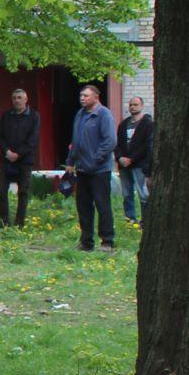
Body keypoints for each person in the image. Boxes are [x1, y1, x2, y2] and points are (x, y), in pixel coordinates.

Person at [68, 83, 117, 251]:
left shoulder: (104, 115)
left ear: (96, 97)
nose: (82, 98)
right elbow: (76, 141)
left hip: (99, 170)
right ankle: (86, 241)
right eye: (81, 96)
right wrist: (70, 161)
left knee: (102, 205)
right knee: (83, 206)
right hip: (82, 169)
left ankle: (107, 241)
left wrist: (96, 159)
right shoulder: (80, 115)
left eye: (86, 96)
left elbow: (110, 141)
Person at [0, 88, 41, 227]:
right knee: (1, 189)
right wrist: (7, 151)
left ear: (26, 100)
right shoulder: (6, 116)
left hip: (25, 160)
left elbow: (33, 140)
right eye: (14, 98)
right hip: (6, 159)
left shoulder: (34, 116)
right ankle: (4, 222)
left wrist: (18, 154)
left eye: (19, 97)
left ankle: (19, 223)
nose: (16, 100)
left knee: (23, 192)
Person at [117, 94, 151, 226]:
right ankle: (130, 220)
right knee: (127, 193)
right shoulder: (123, 124)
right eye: (130, 104)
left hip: (139, 164)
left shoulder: (147, 124)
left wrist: (132, 159)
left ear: (142, 106)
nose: (132, 107)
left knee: (143, 194)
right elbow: (117, 143)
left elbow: (146, 146)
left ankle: (145, 222)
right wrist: (119, 158)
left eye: (135, 104)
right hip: (124, 165)